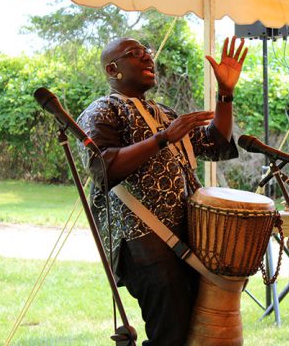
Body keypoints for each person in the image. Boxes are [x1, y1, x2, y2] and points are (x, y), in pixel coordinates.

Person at [77, 36, 247, 345]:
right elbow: (103, 167)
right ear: (113, 69)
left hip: (187, 235)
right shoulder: (102, 110)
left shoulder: (163, 112)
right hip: (141, 238)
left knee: (189, 331)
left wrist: (226, 94)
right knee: (170, 332)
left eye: (148, 53)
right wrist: (163, 138)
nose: (147, 58)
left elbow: (216, 142)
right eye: (135, 54)